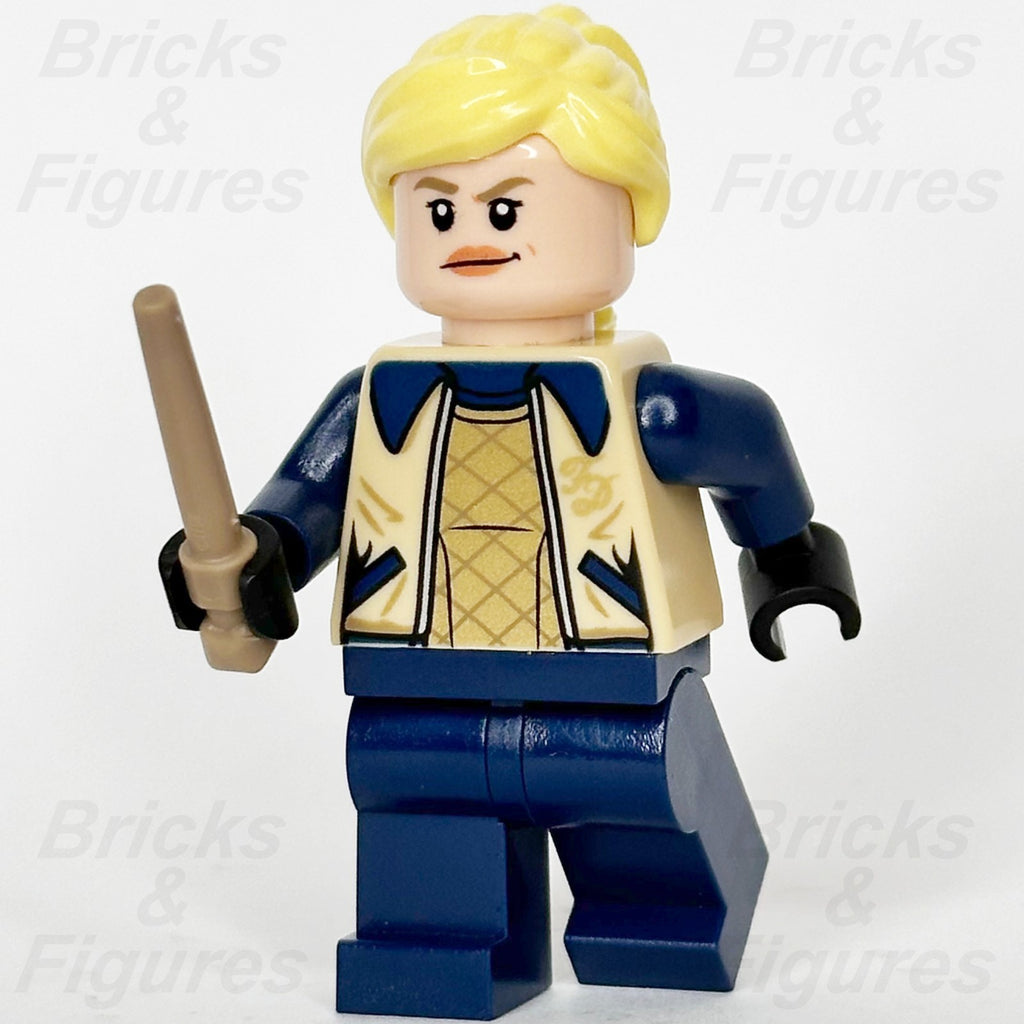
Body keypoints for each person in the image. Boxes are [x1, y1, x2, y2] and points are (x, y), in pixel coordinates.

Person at [159, 7, 859, 1019]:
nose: (472, 236)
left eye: (506, 206)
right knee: (418, 794)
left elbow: (748, 449)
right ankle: (440, 941)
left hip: (606, 673)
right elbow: (308, 495)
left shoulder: (649, 400)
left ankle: (656, 919)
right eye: (438, 210)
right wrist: (258, 553)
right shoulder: (379, 399)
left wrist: (790, 560)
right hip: (417, 673)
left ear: (624, 210)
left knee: (639, 797)